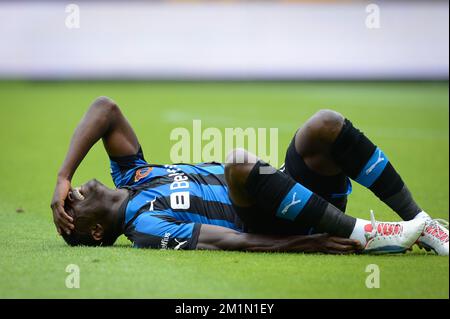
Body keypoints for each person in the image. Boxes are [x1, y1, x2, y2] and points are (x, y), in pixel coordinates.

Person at [50, 97, 448, 255]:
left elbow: (105, 109)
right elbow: (229, 240)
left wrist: (62, 178)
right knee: (238, 162)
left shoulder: (130, 172)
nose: (76, 194)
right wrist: (306, 243)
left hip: (288, 194)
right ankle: (363, 232)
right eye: (74, 205)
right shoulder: (144, 228)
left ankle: (424, 224)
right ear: (98, 232)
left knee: (324, 124)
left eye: (71, 196)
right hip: (270, 220)